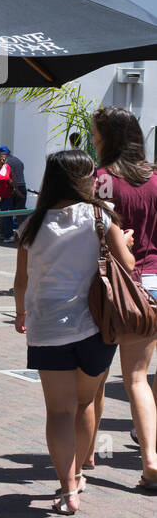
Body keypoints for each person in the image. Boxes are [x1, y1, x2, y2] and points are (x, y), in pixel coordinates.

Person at [14, 150, 133, 515]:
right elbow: (127, 266)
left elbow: (21, 281)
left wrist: (21, 313)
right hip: (96, 326)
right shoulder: (100, 217)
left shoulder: (32, 224)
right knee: (84, 404)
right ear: (85, 179)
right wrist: (124, 243)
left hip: (47, 326)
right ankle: (79, 472)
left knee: (59, 411)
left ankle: (68, 490)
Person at [88, 107, 157, 489]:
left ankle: (86, 454)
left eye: (96, 134)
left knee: (96, 376)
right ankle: (150, 460)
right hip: (154, 281)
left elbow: (93, 234)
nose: (94, 139)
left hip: (113, 285)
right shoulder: (156, 176)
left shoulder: (100, 180)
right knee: (137, 378)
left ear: (110, 137)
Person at [0, 146, 28, 240]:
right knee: (20, 212)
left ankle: (5, 233)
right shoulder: (17, 160)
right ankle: (24, 233)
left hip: (13, 188)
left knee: (7, 211)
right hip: (22, 186)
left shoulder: (7, 162)